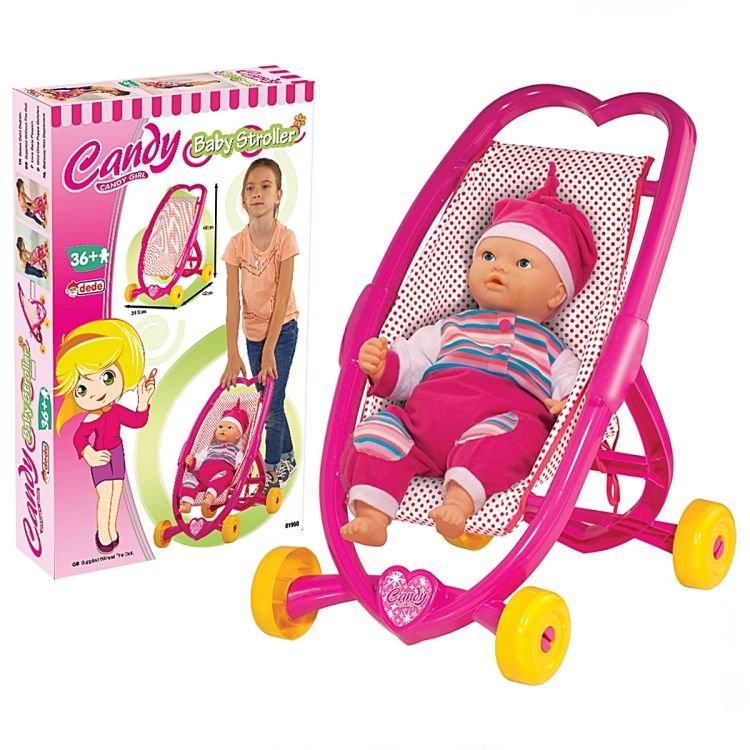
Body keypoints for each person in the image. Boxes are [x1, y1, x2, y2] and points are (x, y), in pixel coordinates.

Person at [340, 163, 598, 546]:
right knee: (377, 431)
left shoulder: (552, 349)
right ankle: (372, 516)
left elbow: (577, 387)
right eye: (489, 255)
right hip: (420, 430)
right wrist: (384, 366)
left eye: (522, 264)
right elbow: (411, 365)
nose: (499, 268)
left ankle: (458, 503)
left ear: (556, 294)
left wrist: (568, 405)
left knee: (517, 434)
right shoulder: (451, 327)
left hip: (494, 426)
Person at [221, 158, 299, 492]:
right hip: (252, 336)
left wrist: (270, 350)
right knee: (271, 400)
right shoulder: (236, 245)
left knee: (270, 407)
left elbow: (282, 299)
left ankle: (271, 472)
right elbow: (232, 303)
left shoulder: (286, 240)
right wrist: (232, 353)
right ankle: (288, 454)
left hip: (283, 331)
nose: (257, 193)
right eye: (250, 188)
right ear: (242, 199)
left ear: (278, 195)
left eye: (265, 187)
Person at [55, 319, 157, 554]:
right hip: (100, 456)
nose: (97, 393)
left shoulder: (116, 411)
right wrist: (89, 454)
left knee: (116, 493)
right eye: (82, 389)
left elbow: (137, 421)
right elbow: (79, 438)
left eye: (107, 378)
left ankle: (112, 530)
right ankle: (103, 533)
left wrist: (143, 400)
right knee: (105, 495)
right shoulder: (92, 417)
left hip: (116, 454)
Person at [178, 402, 249, 516]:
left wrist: (239, 466)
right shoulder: (209, 448)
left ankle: (209, 499)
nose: (223, 429)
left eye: (229, 427)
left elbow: (242, 462)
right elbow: (199, 460)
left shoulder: (236, 450)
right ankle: (186, 504)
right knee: (190, 480)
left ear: (238, 435)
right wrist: (192, 462)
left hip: (220, 473)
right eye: (220, 427)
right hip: (202, 474)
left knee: (225, 476)